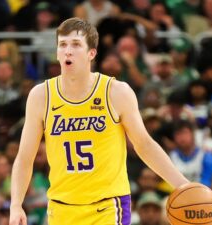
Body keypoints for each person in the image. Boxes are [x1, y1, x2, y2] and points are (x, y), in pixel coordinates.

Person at [10, 17, 189, 225]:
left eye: (76, 45)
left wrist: (183, 185)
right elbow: (24, 157)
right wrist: (16, 204)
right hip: (61, 208)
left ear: (91, 53)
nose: (68, 50)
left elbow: (144, 144)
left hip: (108, 206)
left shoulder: (116, 92)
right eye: (63, 45)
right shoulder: (41, 96)